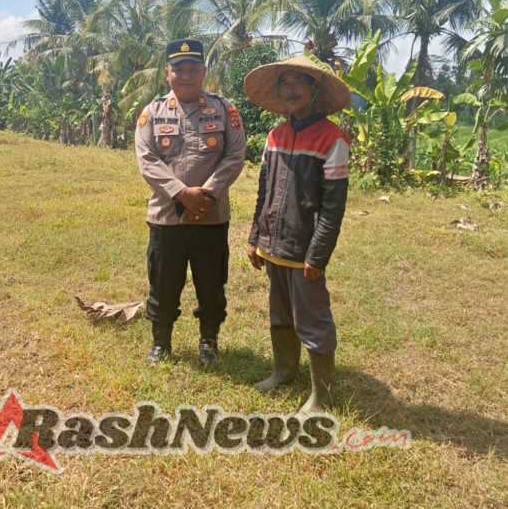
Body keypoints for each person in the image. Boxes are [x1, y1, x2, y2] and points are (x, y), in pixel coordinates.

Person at [243, 54, 352, 416]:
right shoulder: (275, 135)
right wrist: (255, 237)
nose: (291, 89)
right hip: (273, 244)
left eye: (299, 82)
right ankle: (284, 371)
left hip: (305, 250)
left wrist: (317, 256)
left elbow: (333, 207)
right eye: (285, 82)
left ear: (314, 88)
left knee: (313, 319)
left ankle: (323, 395)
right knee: (280, 315)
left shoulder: (333, 139)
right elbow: (264, 191)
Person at [135, 39, 246, 366]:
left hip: (212, 217)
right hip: (166, 218)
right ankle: (161, 343)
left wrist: (207, 195)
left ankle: (209, 341)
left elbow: (235, 155)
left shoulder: (226, 109)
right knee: (163, 282)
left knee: (212, 284)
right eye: (178, 70)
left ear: (204, 72)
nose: (186, 76)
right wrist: (183, 194)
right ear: (166, 73)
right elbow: (147, 160)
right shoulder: (152, 112)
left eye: (193, 69)